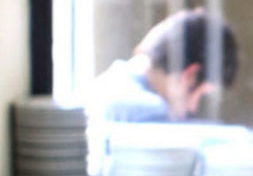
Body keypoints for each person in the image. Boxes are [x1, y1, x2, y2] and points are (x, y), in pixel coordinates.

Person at [87, 8, 239, 123]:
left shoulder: (107, 82)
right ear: (191, 76)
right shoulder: (151, 113)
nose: (192, 109)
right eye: (202, 96)